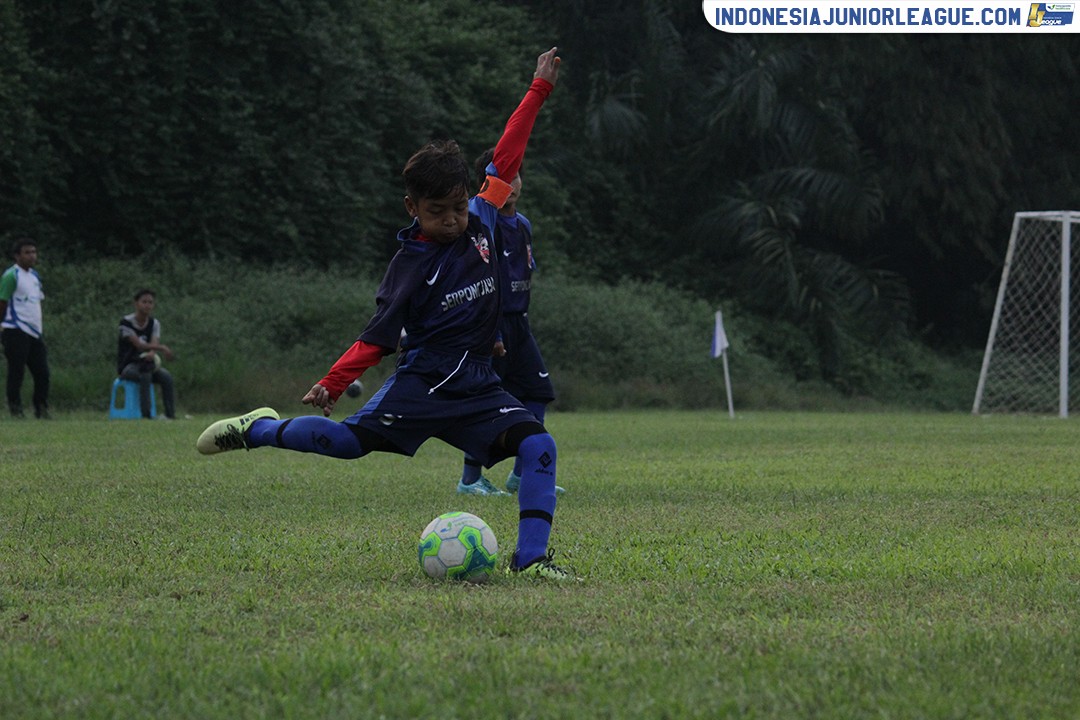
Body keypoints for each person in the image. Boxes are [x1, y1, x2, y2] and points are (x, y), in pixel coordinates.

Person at [197, 47, 574, 581]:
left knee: (538, 445)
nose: (450, 221)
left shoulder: (485, 217)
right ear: (411, 208)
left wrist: (539, 89)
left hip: (476, 384)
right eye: (436, 211)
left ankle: (532, 559)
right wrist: (333, 382)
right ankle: (260, 429)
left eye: (458, 208)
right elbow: (377, 338)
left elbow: (507, 155)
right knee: (347, 445)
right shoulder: (410, 266)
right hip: (422, 382)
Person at [455, 148, 564, 497]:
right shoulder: (483, 224)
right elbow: (481, 281)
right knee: (485, 400)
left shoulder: (524, 225)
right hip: (492, 324)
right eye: (502, 179)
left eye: (516, 176)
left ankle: (522, 474)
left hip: (520, 325)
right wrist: (493, 329)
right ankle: (470, 480)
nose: (512, 185)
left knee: (537, 393)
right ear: (487, 185)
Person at [0, 238, 49, 419]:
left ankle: (41, 409)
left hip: (34, 331)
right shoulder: (11, 275)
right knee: (16, 371)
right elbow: (3, 301)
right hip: (15, 328)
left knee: (42, 372)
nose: (31, 256)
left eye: (33, 252)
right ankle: (16, 410)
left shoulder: (34, 276)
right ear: (17, 256)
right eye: (27, 252)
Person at [117, 289, 177, 420]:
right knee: (145, 375)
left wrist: (152, 353)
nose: (147, 305)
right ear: (136, 303)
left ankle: (170, 415)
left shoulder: (154, 323)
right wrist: (162, 348)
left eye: (150, 302)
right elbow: (138, 344)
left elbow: (153, 343)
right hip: (129, 365)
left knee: (166, 377)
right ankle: (147, 416)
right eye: (144, 302)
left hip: (147, 365)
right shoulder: (125, 323)